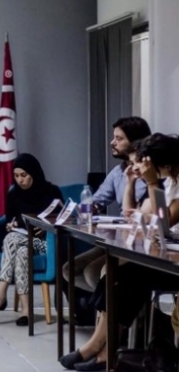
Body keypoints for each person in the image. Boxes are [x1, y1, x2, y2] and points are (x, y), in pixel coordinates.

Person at [60, 133, 179, 371]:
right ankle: (102, 351)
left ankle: (98, 350)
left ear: (165, 165)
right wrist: (153, 185)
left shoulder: (168, 183)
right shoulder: (171, 182)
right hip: (167, 256)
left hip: (174, 264)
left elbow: (163, 223)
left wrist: (153, 183)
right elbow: (153, 219)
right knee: (119, 277)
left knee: (124, 277)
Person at [61, 117, 151, 322]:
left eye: (119, 138)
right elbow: (97, 200)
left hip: (137, 242)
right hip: (117, 238)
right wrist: (86, 208)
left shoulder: (150, 175)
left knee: (95, 273)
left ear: (136, 142)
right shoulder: (118, 171)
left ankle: (123, 319)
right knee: (70, 270)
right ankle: (114, 315)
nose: (113, 142)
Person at [0, 153, 63, 326]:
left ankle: (0, 295)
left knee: (11, 239)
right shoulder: (13, 194)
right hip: (23, 241)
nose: (20, 180)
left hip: (45, 244)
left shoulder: (51, 192)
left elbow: (63, 220)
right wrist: (11, 225)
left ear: (33, 173)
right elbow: (10, 220)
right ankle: (26, 310)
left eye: (23, 175)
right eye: (16, 176)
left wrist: (46, 225)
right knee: (21, 251)